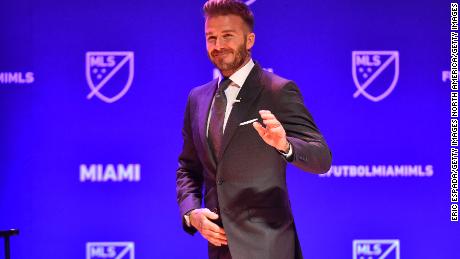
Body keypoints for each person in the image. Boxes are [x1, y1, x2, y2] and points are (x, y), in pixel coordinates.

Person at [176, 0, 332, 258]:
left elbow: (322, 158)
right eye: (210, 37)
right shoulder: (197, 98)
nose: (218, 46)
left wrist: (285, 146)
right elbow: (188, 167)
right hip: (219, 250)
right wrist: (192, 213)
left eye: (227, 36)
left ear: (249, 40)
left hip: (270, 247)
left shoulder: (278, 91)